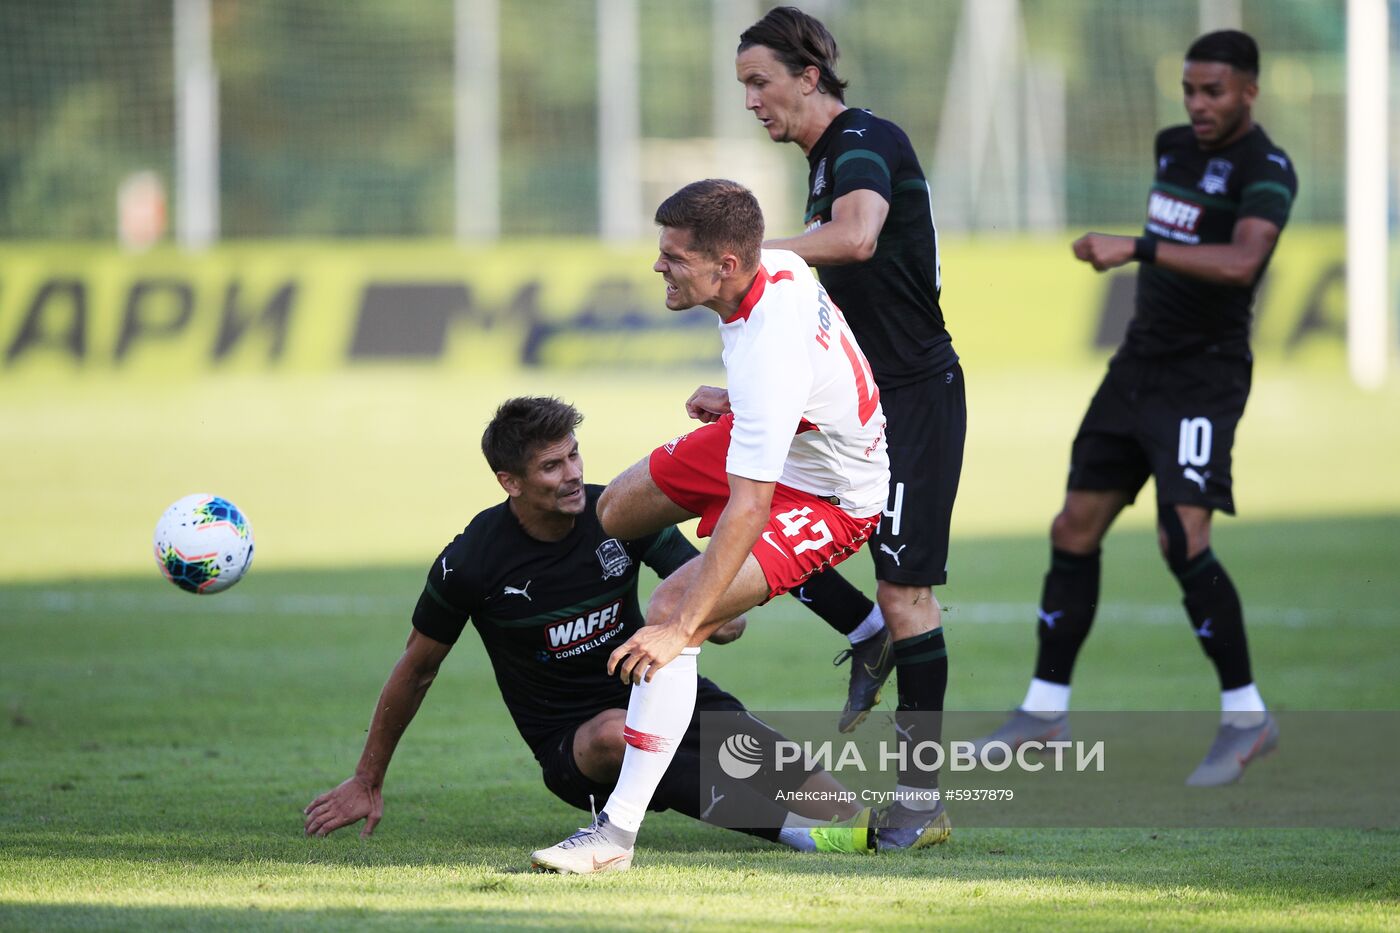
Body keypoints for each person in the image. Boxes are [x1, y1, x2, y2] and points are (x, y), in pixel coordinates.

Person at [303, 396, 881, 858]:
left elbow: (701, 590)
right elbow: (417, 669)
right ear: (511, 482)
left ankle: (891, 827)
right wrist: (367, 777)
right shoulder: (472, 563)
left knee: (818, 793)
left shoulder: (618, 514)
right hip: (572, 740)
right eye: (551, 466)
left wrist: (720, 616)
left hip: (658, 689)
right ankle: (795, 837)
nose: (573, 475)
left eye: (574, 455)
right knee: (615, 732)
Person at [529, 180, 890, 873]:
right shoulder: (776, 268)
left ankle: (615, 836)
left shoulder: (768, 352)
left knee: (671, 609)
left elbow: (752, 504)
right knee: (617, 509)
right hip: (775, 435)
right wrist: (747, 405)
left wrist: (682, 615)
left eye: (673, 256)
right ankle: (714, 606)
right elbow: (829, 365)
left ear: (725, 264)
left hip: (833, 496)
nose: (658, 266)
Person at [973, 30, 1296, 786]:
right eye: (1189, 89)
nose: (1197, 104)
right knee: (1072, 526)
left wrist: (1140, 248)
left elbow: (1246, 261)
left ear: (1250, 90)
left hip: (1203, 377)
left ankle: (1248, 717)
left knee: (1181, 539)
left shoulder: (1267, 168)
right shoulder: (1171, 146)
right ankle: (1045, 709)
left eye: (1213, 91)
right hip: (1136, 366)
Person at [734, 6, 963, 846]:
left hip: (913, 399)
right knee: (743, 507)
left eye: (760, 82)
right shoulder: (822, 161)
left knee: (907, 592)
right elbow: (830, 307)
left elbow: (859, 238)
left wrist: (756, 257)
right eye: (744, 87)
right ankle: (864, 634)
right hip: (851, 400)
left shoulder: (861, 140)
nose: (752, 101)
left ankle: (923, 798)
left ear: (807, 74)